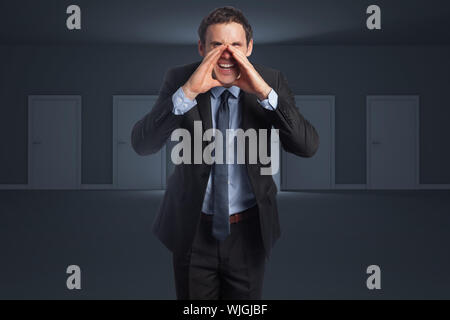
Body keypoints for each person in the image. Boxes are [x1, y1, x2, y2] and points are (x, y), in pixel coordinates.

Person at [131, 6, 319, 300]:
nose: (227, 55)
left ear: (250, 48)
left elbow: (307, 146)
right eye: (217, 45)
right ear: (201, 48)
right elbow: (143, 144)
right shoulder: (179, 78)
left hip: (249, 232)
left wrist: (264, 94)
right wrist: (187, 93)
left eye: (236, 46)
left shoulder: (271, 81)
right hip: (192, 229)